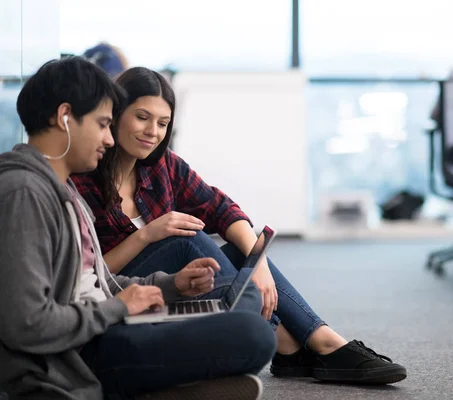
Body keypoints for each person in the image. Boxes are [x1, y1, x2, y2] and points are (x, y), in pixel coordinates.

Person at [71, 66, 408, 385]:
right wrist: (146, 235)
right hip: (116, 289)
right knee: (183, 239)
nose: (152, 132)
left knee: (235, 248)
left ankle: (311, 342)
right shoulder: (83, 178)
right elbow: (86, 274)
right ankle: (302, 344)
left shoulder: (163, 167)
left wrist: (257, 264)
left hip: (171, 283)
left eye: (162, 123)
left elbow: (223, 208)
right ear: (115, 114)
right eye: (142, 117)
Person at [0, 57, 276, 400]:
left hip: (103, 327)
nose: (109, 138)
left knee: (245, 302)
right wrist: (118, 309)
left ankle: (163, 384)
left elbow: (97, 283)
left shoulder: (63, 191)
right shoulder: (24, 193)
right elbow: (25, 325)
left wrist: (170, 286)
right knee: (253, 333)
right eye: (103, 124)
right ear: (65, 117)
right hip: (78, 356)